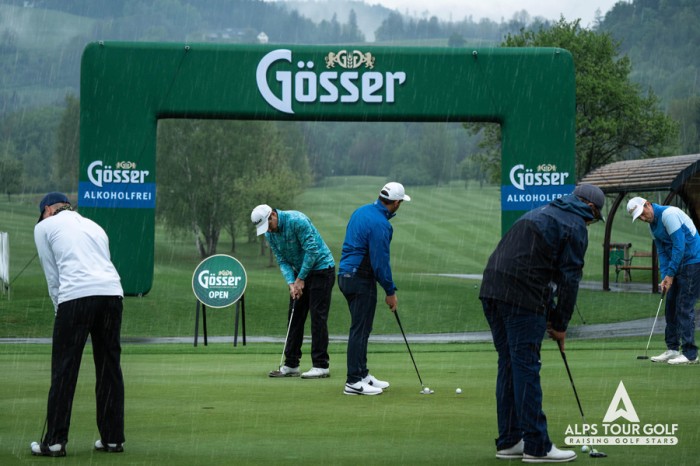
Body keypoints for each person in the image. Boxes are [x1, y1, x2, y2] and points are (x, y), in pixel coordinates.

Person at [479, 183, 605, 463]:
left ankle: (510, 441)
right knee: (525, 366)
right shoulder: (575, 225)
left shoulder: (541, 211)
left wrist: (550, 315)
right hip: (520, 295)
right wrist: (560, 324)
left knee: (510, 364)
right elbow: (569, 280)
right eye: (593, 219)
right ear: (590, 208)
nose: (590, 223)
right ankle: (537, 445)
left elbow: (534, 266)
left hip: (491, 288)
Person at [30, 192, 125, 457]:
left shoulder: (44, 226)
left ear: (47, 209)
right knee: (109, 367)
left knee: (64, 369)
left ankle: (55, 441)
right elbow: (103, 263)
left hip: (76, 298)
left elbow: (53, 275)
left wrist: (59, 311)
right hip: (112, 295)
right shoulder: (94, 226)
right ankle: (113, 439)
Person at [337, 182, 411, 396]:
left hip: (346, 276)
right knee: (360, 330)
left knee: (362, 328)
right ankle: (353, 382)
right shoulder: (381, 224)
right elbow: (380, 263)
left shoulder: (361, 211)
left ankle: (362, 374)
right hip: (360, 278)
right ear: (395, 203)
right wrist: (390, 291)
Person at [251, 204, 336, 379]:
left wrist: (300, 279)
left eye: (269, 225)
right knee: (294, 316)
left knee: (318, 317)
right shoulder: (270, 234)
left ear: (273, 215)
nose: (269, 231)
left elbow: (311, 251)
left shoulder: (297, 221)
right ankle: (291, 364)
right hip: (299, 273)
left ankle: (321, 366)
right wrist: (292, 283)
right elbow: (282, 260)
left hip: (322, 269)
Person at [627, 196, 700, 365]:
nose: (642, 218)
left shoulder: (669, 214)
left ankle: (690, 353)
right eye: (638, 217)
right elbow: (662, 252)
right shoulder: (652, 227)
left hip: (693, 262)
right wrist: (664, 278)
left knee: (684, 307)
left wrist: (670, 274)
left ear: (648, 204)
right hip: (678, 264)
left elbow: (679, 246)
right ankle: (673, 349)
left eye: (642, 213)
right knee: (671, 307)